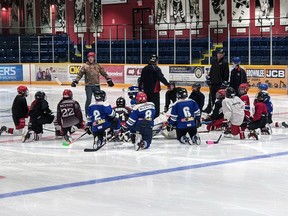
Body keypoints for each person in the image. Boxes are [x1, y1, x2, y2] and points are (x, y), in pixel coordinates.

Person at [139, 54, 170, 118]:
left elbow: (141, 80)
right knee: (156, 106)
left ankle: (148, 117)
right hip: (154, 91)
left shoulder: (144, 68)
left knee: (148, 105)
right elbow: (161, 78)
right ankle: (156, 118)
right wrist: (167, 84)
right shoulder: (156, 68)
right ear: (156, 61)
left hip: (146, 91)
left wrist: (140, 89)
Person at [203, 49, 229, 113]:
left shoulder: (225, 63)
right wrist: (209, 78)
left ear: (223, 54)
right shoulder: (214, 61)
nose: (219, 55)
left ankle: (220, 110)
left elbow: (226, 74)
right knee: (211, 97)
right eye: (218, 53)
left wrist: (224, 82)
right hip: (213, 83)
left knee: (220, 98)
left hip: (220, 84)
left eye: (221, 54)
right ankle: (209, 109)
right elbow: (211, 71)